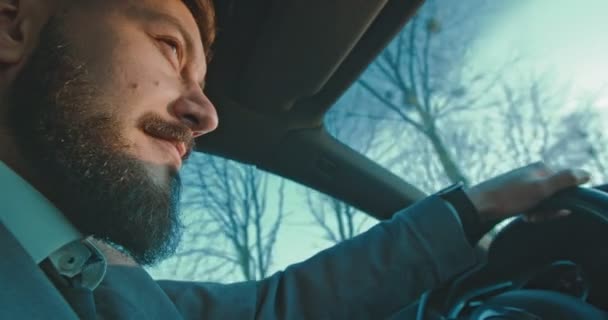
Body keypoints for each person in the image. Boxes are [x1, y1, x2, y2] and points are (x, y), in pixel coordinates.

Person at [0, 0, 591, 319]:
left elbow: (275, 308)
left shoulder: (107, 281)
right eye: (167, 45)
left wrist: (477, 206)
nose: (206, 115)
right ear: (12, 26)